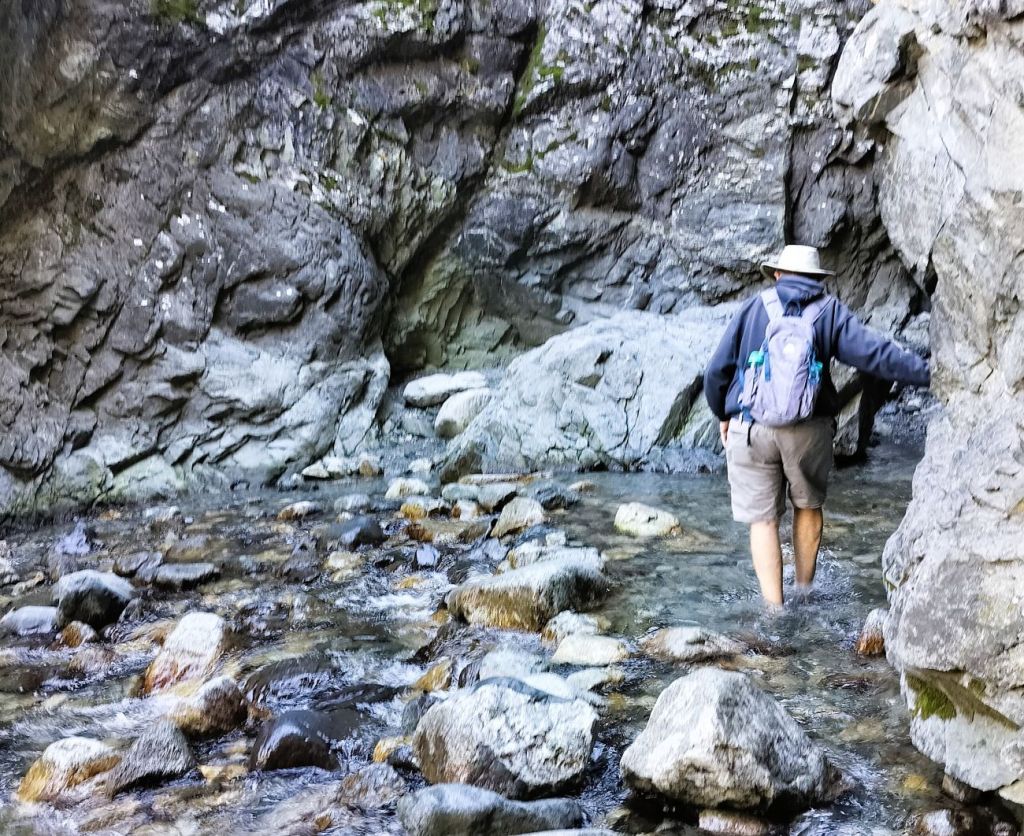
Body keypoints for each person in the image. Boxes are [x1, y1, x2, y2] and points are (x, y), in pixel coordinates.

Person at [703, 244, 930, 606]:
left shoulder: (754, 307)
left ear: (778, 274)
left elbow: (717, 370)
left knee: (763, 521)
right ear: (817, 279)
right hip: (808, 430)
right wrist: (930, 373)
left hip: (751, 427)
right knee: (807, 506)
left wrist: (723, 414)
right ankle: (804, 591)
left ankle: (774, 609)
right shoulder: (829, 311)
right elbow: (874, 355)